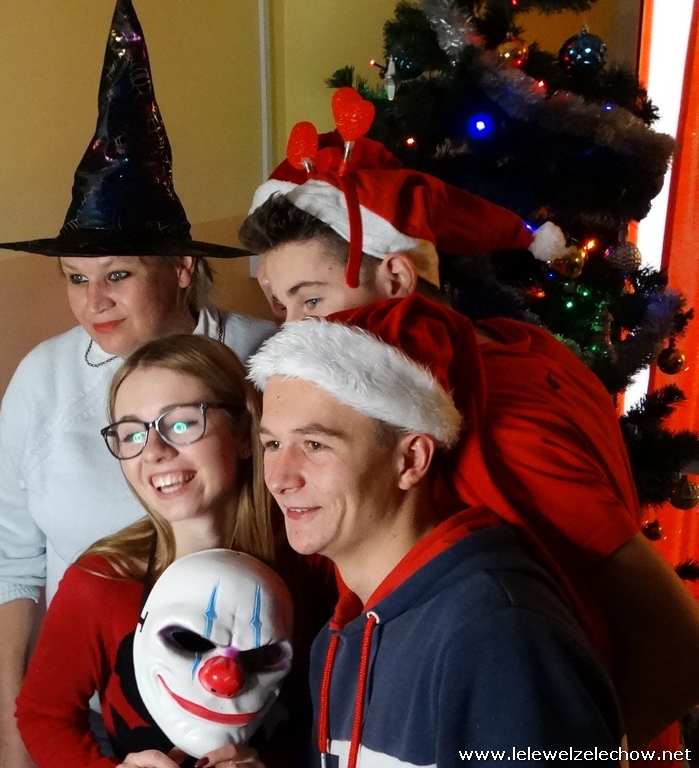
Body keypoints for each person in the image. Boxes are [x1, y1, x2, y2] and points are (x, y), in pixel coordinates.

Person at [238, 105, 699, 753]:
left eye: (312, 301)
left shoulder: (501, 420)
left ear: (397, 279)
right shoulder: (491, 351)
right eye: (281, 308)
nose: (294, 332)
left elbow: (674, 643)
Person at [0, 3, 275, 766]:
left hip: (253, 700)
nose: (92, 302)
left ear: (181, 269)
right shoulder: (43, 379)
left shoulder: (264, 359)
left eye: (117, 275)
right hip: (94, 721)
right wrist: (12, 732)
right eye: (76, 279)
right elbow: (7, 560)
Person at [249, 306, 623, 767]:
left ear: (411, 460)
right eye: (272, 444)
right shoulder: (337, 637)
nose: (280, 478)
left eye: (315, 444)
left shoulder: (497, 634)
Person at [16, 335, 277, 768]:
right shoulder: (100, 582)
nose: (154, 452)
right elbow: (42, 714)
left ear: (243, 434)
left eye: (182, 424)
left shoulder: (310, 565)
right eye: (133, 434)